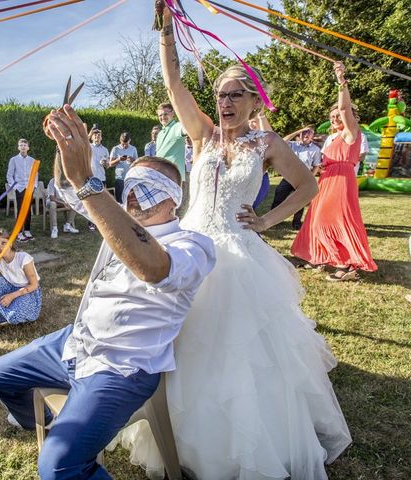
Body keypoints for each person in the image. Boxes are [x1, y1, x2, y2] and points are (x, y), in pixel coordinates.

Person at [114, 8, 352, 479]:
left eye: (234, 95)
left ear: (251, 100)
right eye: (221, 94)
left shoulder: (265, 144)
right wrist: (166, 32)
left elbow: (307, 185)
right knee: (179, 339)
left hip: (239, 255)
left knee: (238, 352)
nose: (225, 102)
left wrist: (266, 221)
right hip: (187, 247)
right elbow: (173, 85)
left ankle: (236, 441)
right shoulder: (200, 135)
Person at [0, 104, 216, 480]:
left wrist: (90, 183)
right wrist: (67, 150)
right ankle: (46, 420)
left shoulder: (192, 245)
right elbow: (66, 187)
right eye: (133, 185)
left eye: (151, 189)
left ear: (175, 197)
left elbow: (155, 268)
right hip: (75, 343)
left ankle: (70, 440)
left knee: (58, 468)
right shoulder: (115, 219)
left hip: (122, 366)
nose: (136, 196)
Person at [292, 62, 378, 281]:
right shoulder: (332, 138)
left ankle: (346, 265)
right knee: (318, 218)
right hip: (327, 179)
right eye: (332, 118)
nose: (335, 119)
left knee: (338, 219)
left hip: (342, 181)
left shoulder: (352, 132)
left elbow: (344, 108)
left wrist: (341, 81)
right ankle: (319, 256)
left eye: (338, 117)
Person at [271, 128, 322, 230]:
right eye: (304, 133)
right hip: (289, 176)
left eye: (309, 133)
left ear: (312, 136)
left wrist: (310, 177)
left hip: (303, 178)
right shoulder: (292, 145)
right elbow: (282, 141)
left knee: (300, 201)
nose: (306, 135)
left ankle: (296, 222)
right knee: (279, 197)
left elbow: (316, 165)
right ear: (300, 134)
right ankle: (273, 220)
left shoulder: (315, 149)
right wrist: (298, 131)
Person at [6, 138, 38, 241]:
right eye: (21, 145)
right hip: (19, 188)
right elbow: (9, 175)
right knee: (21, 210)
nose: (23, 147)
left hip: (29, 188)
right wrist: (14, 186)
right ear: (18, 147)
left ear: (28, 148)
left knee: (28, 210)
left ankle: (27, 230)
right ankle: (19, 233)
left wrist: (34, 186)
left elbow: (35, 174)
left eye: (25, 145)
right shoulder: (14, 160)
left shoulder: (32, 160)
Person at [108, 132, 138, 203]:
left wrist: (133, 160)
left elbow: (137, 163)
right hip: (119, 178)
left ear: (129, 140)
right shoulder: (115, 149)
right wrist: (119, 159)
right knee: (120, 201)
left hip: (130, 178)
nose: (124, 146)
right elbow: (110, 164)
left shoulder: (133, 149)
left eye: (126, 144)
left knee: (130, 200)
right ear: (120, 140)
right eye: (122, 144)